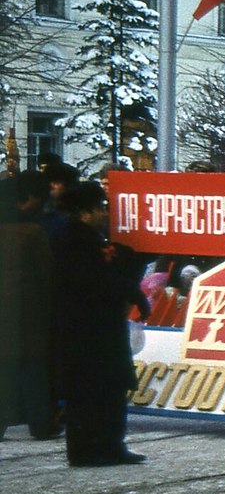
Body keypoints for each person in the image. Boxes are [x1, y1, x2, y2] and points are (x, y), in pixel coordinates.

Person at [53, 184, 148, 466]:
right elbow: (93, 281)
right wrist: (130, 290)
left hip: (96, 326)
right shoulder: (73, 241)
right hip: (86, 328)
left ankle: (109, 445)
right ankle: (89, 449)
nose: (104, 213)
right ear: (84, 212)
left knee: (108, 387)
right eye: (99, 208)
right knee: (90, 390)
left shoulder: (86, 238)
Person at [1, 171, 58, 441]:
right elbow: (46, 276)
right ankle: (41, 424)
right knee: (34, 369)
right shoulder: (32, 232)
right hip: (27, 312)